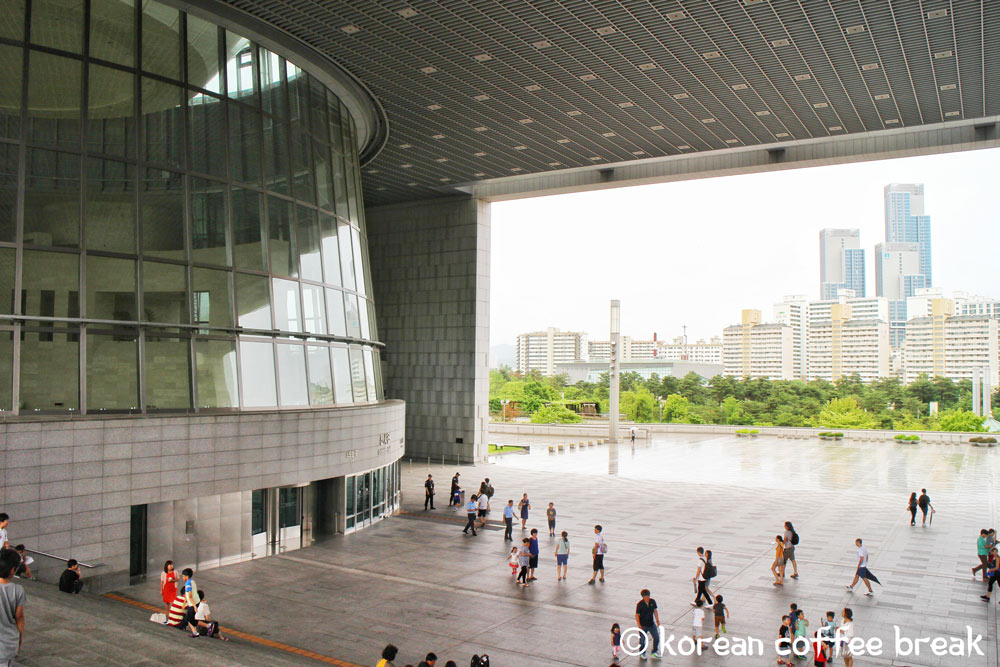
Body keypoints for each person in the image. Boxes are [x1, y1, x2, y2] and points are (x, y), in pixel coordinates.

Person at [0, 550, 25, 667]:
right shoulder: (17, 590)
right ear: (12, 570)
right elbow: (19, 617)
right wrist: (19, 641)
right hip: (7, 644)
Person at [634, 588, 661, 660]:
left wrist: (657, 621)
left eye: (648, 596)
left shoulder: (652, 602)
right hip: (643, 625)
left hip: (651, 624)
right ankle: (642, 653)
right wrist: (639, 625)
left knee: (657, 637)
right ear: (643, 597)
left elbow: (655, 611)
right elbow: (637, 615)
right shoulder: (640, 604)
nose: (647, 598)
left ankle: (654, 651)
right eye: (645, 597)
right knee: (642, 640)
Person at [181, 568, 200, 637]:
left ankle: (195, 633)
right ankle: (195, 632)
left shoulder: (188, 584)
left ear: (186, 576)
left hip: (192, 604)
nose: (182, 577)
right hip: (196, 601)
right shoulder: (192, 581)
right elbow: (187, 595)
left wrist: (194, 606)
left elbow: (190, 596)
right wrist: (184, 603)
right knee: (189, 618)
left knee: (189, 619)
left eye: (183, 576)